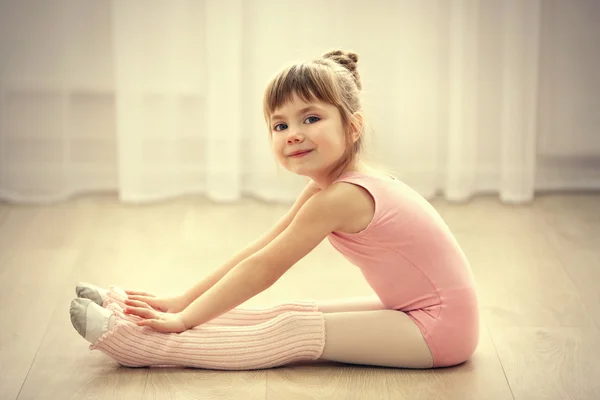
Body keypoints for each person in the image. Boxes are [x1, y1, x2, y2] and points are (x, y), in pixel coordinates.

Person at [70, 49, 479, 370]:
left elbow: (266, 268)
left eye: (311, 118)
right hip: (418, 312)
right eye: (280, 125)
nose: (293, 134)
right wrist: (180, 301)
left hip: (438, 328)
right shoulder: (328, 188)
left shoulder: (342, 196)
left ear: (352, 127)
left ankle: (143, 345)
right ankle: (144, 321)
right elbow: (261, 249)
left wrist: (184, 319)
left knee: (293, 329)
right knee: (289, 311)